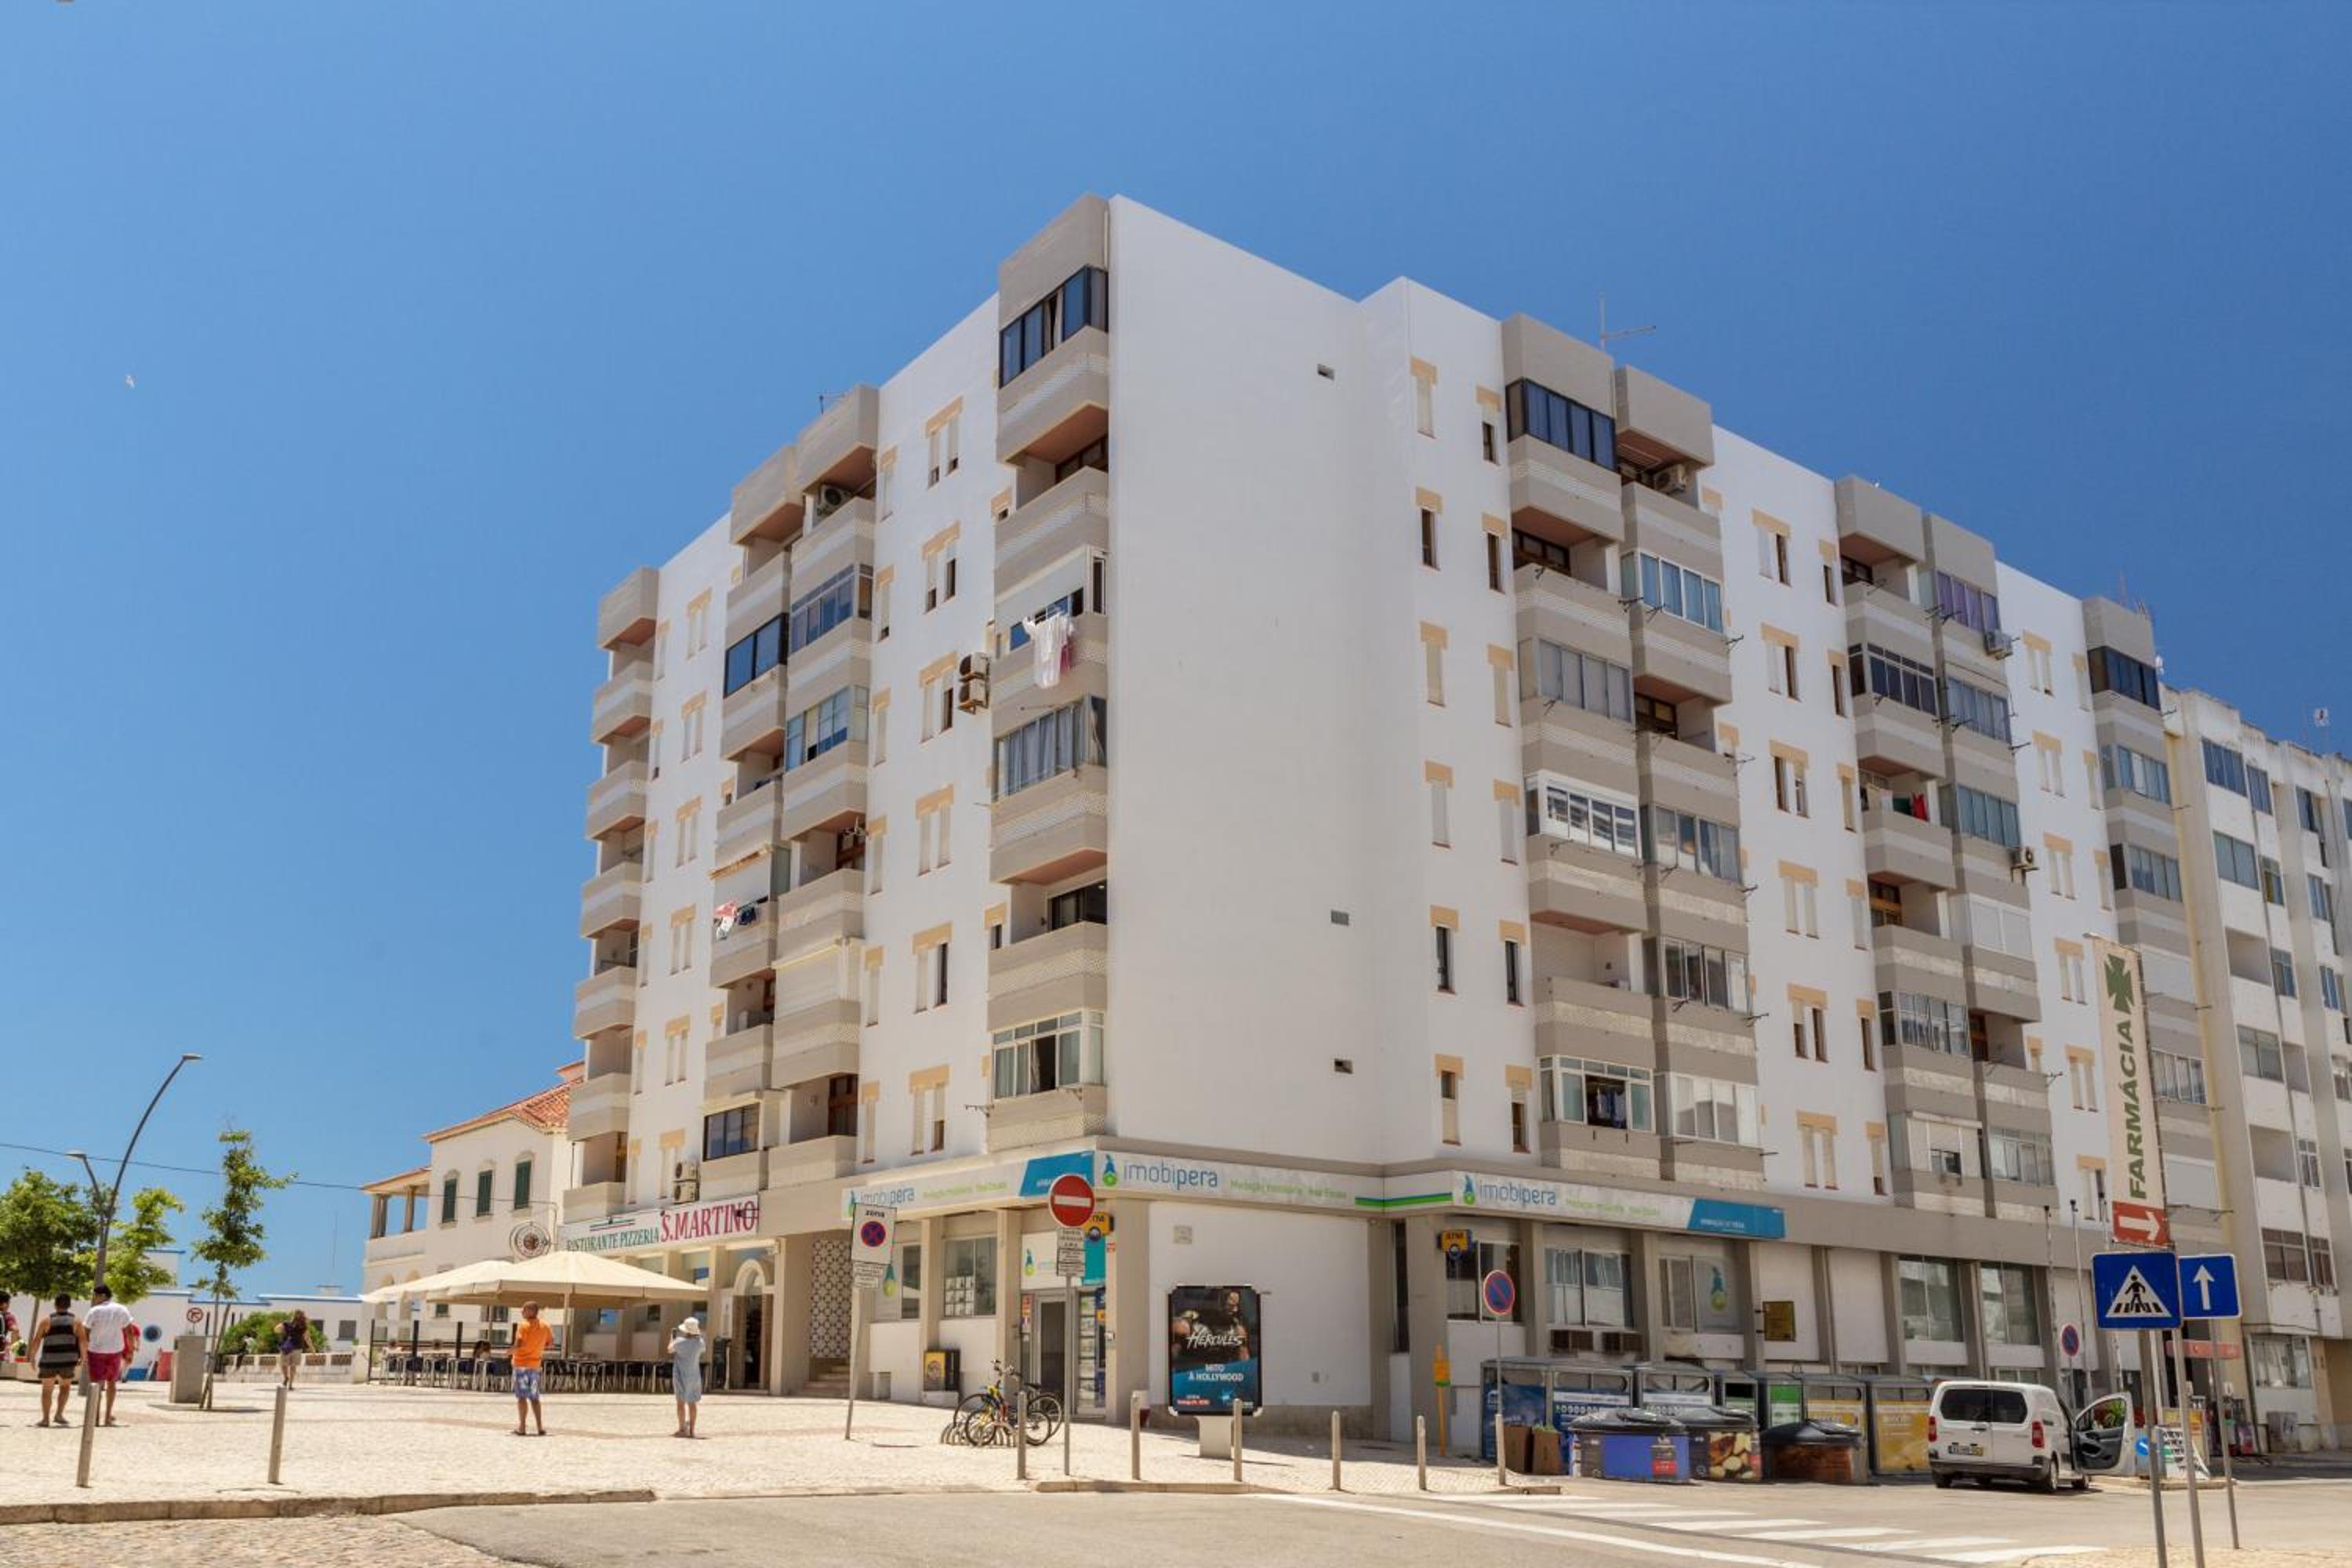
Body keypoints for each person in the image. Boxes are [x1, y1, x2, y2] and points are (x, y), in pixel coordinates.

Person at [82, 1285, 135, 1427]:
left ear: (103, 1295)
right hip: (115, 1351)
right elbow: (129, 1332)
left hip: (96, 1351)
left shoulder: (94, 1311)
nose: (94, 1299)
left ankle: (96, 1418)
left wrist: (84, 1350)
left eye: (96, 1296)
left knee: (96, 1385)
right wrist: (130, 1351)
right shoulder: (122, 1309)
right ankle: (107, 1417)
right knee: (112, 1384)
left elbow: (85, 1332)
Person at [34, 1294, 84, 1428]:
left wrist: (32, 1357)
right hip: (68, 1360)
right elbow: (83, 1342)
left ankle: (45, 1419)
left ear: (55, 1305)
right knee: (65, 1387)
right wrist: (84, 1359)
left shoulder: (46, 1321)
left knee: (47, 1390)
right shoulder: (77, 1322)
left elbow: (37, 1340)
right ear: (69, 1305)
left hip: (49, 1360)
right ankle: (59, 1415)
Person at [510, 1299, 552, 1436]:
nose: (522, 1312)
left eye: (523, 1309)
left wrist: (508, 1352)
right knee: (535, 1397)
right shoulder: (545, 1325)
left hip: (521, 1365)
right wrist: (536, 1347)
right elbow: (550, 1344)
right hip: (535, 1366)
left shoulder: (523, 1325)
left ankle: (522, 1428)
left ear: (531, 1311)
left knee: (521, 1397)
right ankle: (540, 1427)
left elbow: (519, 1344)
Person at [669, 1317, 705, 1438]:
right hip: (694, 1376)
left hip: (680, 1375)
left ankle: (682, 1429)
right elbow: (702, 1349)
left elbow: (669, 1350)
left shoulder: (679, 1342)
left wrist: (672, 1338)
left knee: (680, 1403)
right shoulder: (700, 1343)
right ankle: (692, 1431)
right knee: (692, 1403)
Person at [278, 1310, 310, 1388]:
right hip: (297, 1348)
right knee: (293, 1366)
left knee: (284, 1365)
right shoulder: (303, 1327)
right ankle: (290, 1384)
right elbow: (307, 1338)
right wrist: (312, 1349)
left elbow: (276, 1329)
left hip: (287, 1347)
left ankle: (286, 1378)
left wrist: (281, 1330)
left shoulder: (287, 1324)